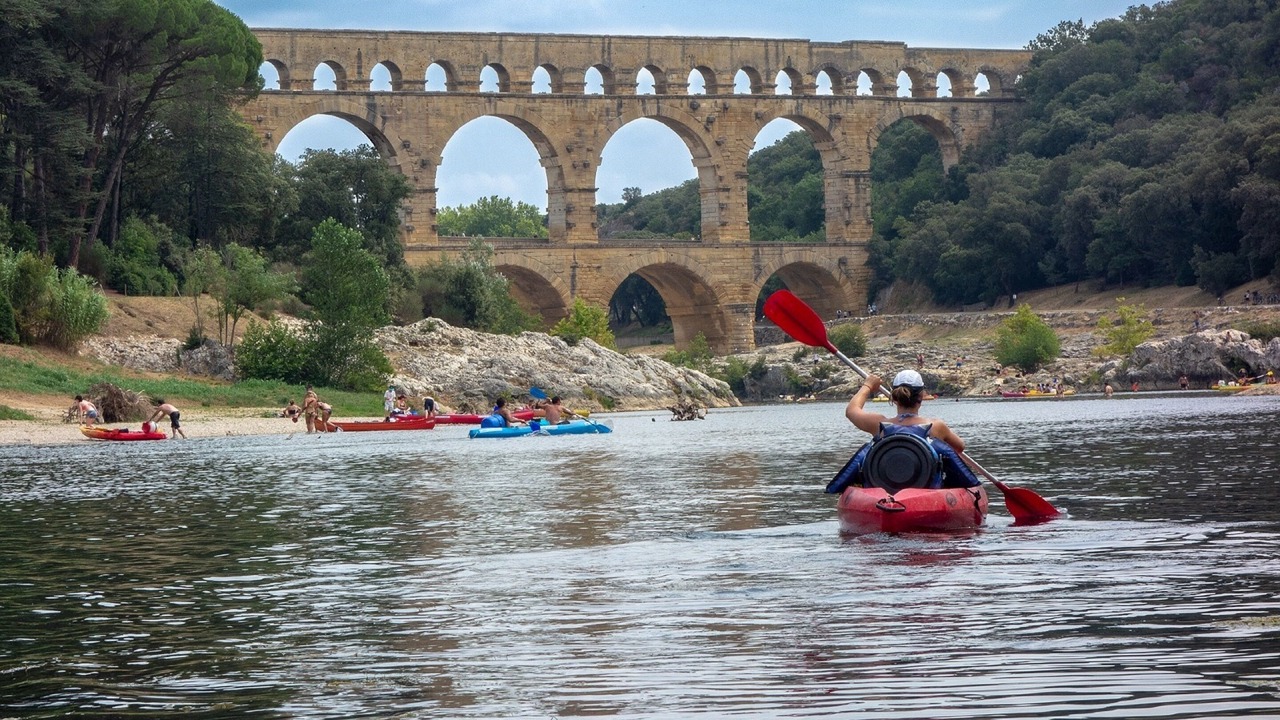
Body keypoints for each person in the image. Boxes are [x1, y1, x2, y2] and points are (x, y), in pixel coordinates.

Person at [828, 369, 979, 494]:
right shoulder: (936, 426)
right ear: (921, 396)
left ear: (894, 398)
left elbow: (851, 411)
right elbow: (959, 447)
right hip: (925, 490)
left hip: (886, 489)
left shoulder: (879, 425)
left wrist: (867, 385)